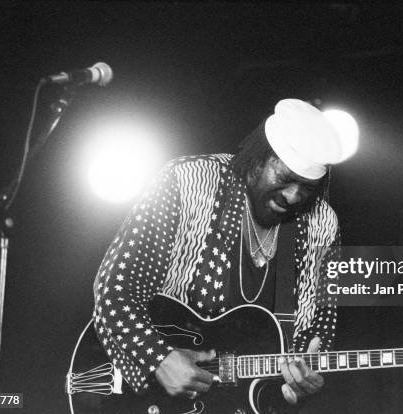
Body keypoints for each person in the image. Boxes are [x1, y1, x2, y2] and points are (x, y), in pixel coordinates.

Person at [92, 98, 356, 407]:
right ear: (258, 159)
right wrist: (159, 358)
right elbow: (115, 289)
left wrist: (309, 372)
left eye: (307, 188)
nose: (293, 196)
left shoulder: (322, 224)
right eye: (285, 179)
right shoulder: (187, 182)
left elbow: (322, 325)